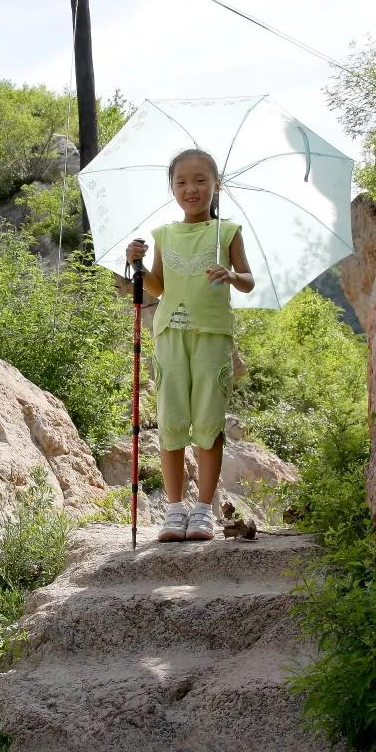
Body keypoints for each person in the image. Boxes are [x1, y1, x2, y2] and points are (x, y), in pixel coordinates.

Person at [125, 148, 254, 542]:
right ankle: (175, 509)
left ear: (216, 186)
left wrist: (231, 276)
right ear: (172, 188)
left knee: (209, 422)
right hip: (170, 335)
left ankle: (204, 510)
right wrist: (139, 266)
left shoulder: (227, 233)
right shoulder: (164, 234)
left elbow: (248, 280)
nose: (190, 188)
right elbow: (159, 287)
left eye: (200, 180)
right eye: (181, 182)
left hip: (213, 336)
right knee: (172, 420)